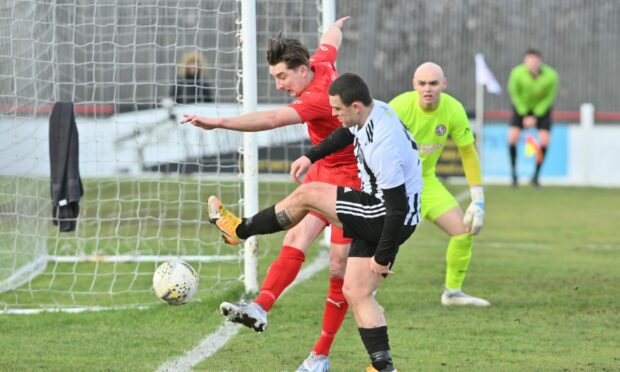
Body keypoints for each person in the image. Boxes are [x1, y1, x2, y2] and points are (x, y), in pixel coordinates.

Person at [208, 72, 422, 372]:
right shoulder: (374, 112)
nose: (333, 115)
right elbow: (346, 134)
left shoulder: (381, 144)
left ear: (356, 106)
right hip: (391, 213)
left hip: (384, 214)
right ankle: (383, 366)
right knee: (356, 291)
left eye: (338, 110)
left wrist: (383, 256)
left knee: (307, 194)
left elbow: (396, 208)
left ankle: (239, 230)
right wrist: (311, 156)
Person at [181, 17, 359, 371]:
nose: (279, 85)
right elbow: (330, 39)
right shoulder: (321, 61)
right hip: (324, 169)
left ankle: (319, 357)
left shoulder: (317, 99)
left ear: (303, 70)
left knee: (339, 268)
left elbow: (270, 120)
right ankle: (260, 305)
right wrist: (337, 26)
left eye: (282, 77)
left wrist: (218, 123)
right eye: (275, 77)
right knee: (296, 235)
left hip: (353, 181)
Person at [389, 62, 490, 307]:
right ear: (414, 85)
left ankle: (453, 293)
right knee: (380, 237)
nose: (428, 89)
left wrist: (478, 198)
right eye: (422, 83)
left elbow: (468, 152)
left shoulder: (453, 109)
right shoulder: (398, 107)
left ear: (443, 84)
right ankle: (363, 292)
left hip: (426, 183)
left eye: (434, 83)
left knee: (463, 231)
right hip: (393, 184)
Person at [507, 49, 559, 187]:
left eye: (535, 60)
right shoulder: (517, 73)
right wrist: (524, 114)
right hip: (521, 108)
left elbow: (549, 97)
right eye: (529, 60)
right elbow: (515, 94)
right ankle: (514, 175)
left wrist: (535, 115)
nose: (532, 63)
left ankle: (535, 176)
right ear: (525, 61)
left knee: (545, 140)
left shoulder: (551, 76)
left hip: (541, 110)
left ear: (540, 61)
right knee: (512, 137)